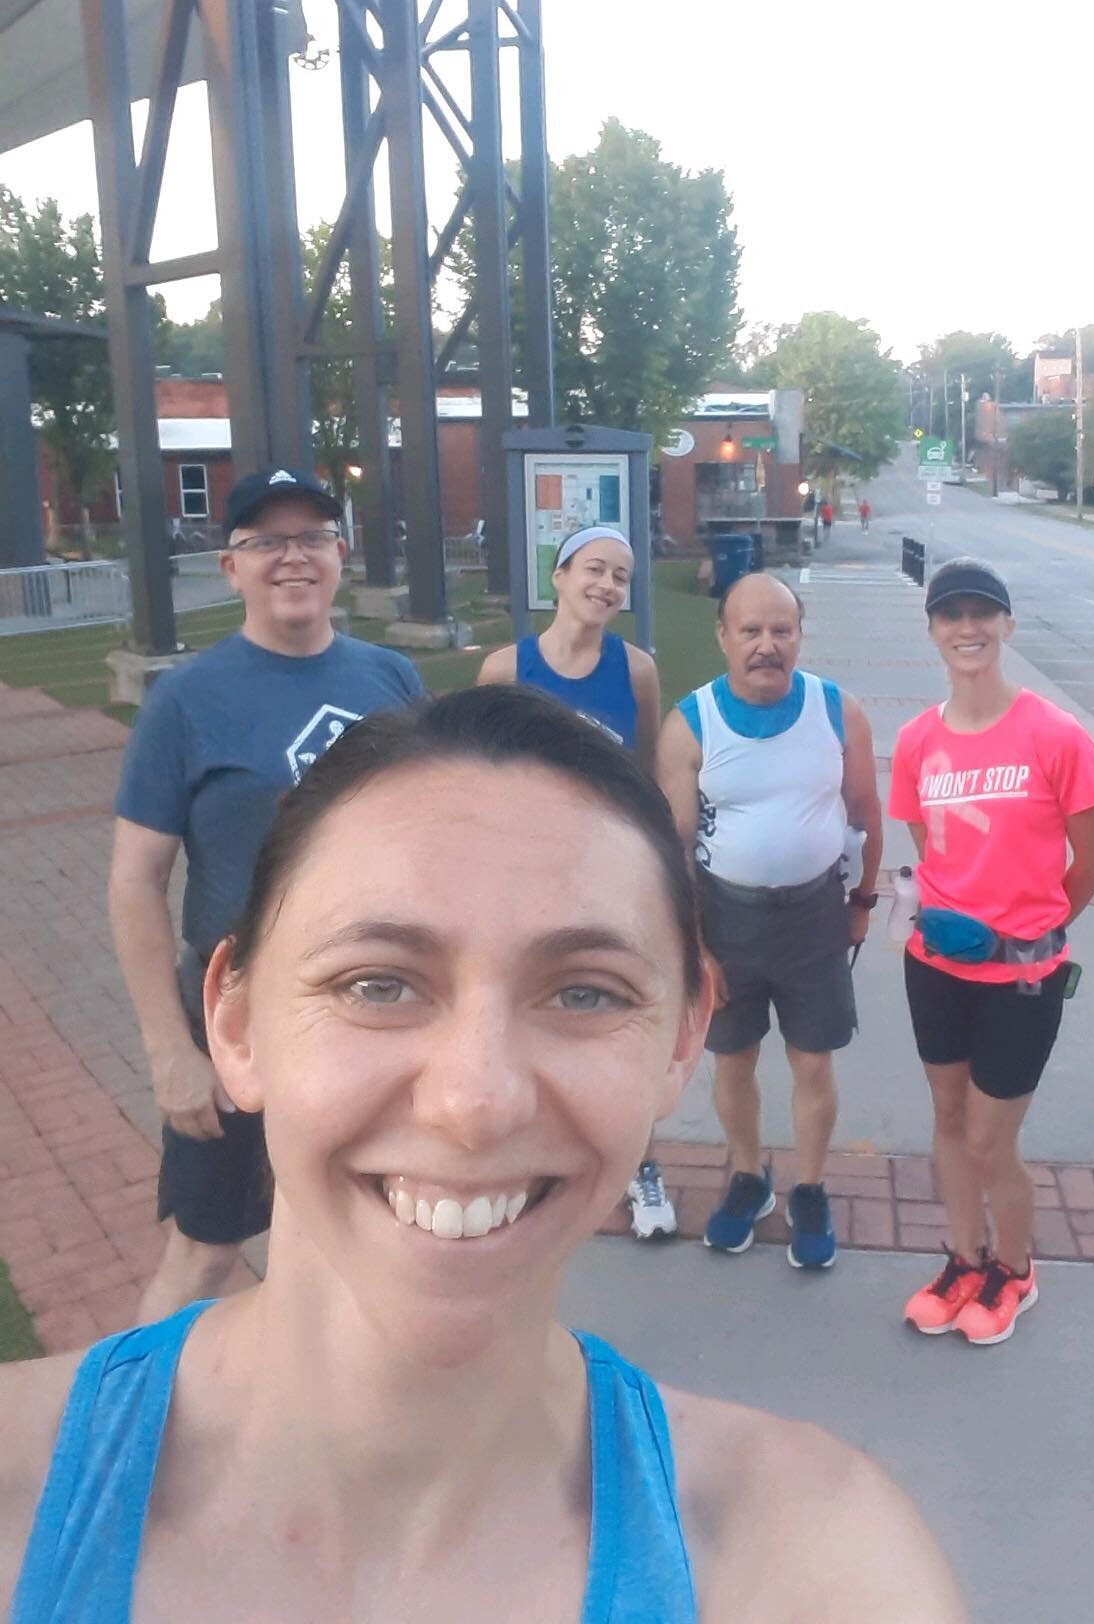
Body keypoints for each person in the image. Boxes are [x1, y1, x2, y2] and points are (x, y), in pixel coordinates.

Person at [1, 687, 965, 1623]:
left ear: (682, 1040)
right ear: (237, 1022)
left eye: (584, 994)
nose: (476, 1103)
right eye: (379, 984)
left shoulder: (805, 1559)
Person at [108, 467, 425, 1324]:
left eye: (313, 537)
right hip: (238, 1010)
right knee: (206, 1252)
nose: (294, 557)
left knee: (352, 1229)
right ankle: (129, 1429)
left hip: (368, 1005)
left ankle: (320, 1421)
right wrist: (170, 1051)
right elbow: (135, 883)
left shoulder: (391, 679)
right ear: (231, 566)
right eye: (268, 541)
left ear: (340, 556)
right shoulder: (184, 700)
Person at [889, 559, 1094, 1345]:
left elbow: (1092, 860)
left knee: (990, 1138)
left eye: (984, 614)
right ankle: (962, 1258)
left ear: (1008, 626)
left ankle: (1014, 1270)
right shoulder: (917, 740)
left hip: (1023, 976)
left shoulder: (1055, 734)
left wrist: (1035, 930)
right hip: (937, 966)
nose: (968, 628)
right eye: (952, 616)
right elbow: (930, 847)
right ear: (934, 632)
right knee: (948, 1119)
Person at [657, 573, 883, 1271]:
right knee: (734, 1057)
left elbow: (864, 813)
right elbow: (676, 845)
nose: (767, 645)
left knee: (813, 1060)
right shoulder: (691, 721)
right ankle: (750, 1177)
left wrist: (863, 904)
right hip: (727, 918)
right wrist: (695, 946)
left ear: (799, 636)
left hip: (814, 914)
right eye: (750, 631)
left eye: (781, 630)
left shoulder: (836, 710)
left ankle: (809, 1188)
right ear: (722, 636)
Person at [477, 524, 674, 1240]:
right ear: (558, 578)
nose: (607, 586)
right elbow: (478, 779)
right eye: (594, 569)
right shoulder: (506, 669)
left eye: (620, 577)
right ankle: (526, 1166)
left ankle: (639, 1166)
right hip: (522, 882)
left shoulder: (637, 670)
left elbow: (646, 775)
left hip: (607, 881)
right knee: (521, 1023)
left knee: (617, 1027)